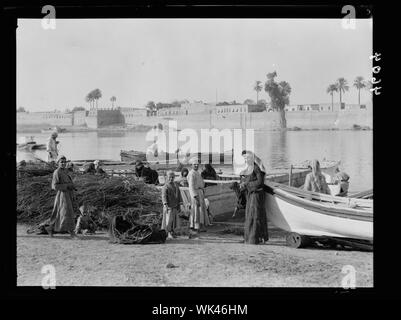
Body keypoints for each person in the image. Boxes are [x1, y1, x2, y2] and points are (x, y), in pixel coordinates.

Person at [240, 150, 269, 244]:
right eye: (244, 158)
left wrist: (247, 184)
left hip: (257, 195)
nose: (246, 160)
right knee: (250, 216)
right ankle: (252, 238)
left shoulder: (256, 168)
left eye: (247, 158)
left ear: (252, 158)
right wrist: (243, 184)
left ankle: (255, 238)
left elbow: (260, 182)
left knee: (255, 216)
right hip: (251, 195)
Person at [46, 155, 78, 238]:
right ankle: (72, 233)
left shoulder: (65, 171)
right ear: (58, 163)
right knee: (66, 213)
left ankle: (50, 228)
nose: (63, 163)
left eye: (64, 162)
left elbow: (68, 182)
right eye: (61, 162)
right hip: (62, 195)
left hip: (68, 195)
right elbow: (54, 186)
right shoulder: (57, 172)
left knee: (60, 213)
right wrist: (67, 186)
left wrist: (72, 186)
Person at [187, 157, 211, 237]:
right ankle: (194, 227)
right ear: (191, 165)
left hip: (200, 193)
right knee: (195, 210)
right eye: (194, 164)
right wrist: (195, 196)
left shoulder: (198, 173)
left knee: (201, 210)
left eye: (197, 164)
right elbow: (191, 186)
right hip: (195, 194)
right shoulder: (191, 174)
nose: (196, 166)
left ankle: (200, 226)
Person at [161, 171, 183, 239]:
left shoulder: (176, 185)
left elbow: (179, 195)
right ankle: (167, 233)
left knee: (174, 221)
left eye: (172, 177)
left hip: (175, 206)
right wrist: (165, 204)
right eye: (170, 177)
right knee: (168, 221)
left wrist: (180, 204)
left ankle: (172, 232)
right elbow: (164, 196)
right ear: (167, 177)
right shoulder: (165, 186)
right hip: (169, 207)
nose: (171, 179)